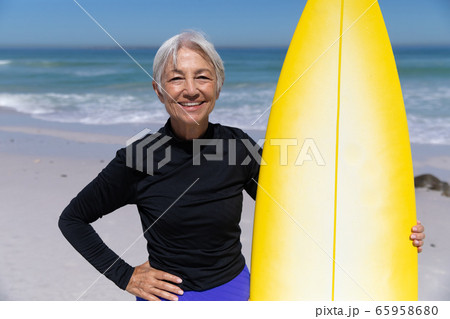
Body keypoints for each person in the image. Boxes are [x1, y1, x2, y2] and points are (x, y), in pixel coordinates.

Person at [58, 31, 425, 301]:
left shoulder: (238, 147)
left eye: (202, 76)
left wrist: (393, 233)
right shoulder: (141, 155)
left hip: (236, 291)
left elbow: (298, 213)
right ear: (159, 90)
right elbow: (72, 219)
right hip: (167, 299)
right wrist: (125, 276)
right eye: (176, 77)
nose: (190, 89)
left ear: (218, 85)